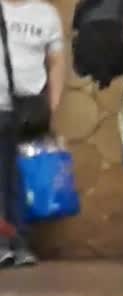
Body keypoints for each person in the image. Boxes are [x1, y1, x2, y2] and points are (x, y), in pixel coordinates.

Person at [0, 0, 64, 268]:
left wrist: (52, 107)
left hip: (29, 111)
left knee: (22, 178)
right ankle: (5, 243)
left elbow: (57, 63)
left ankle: (18, 242)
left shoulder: (46, 14)